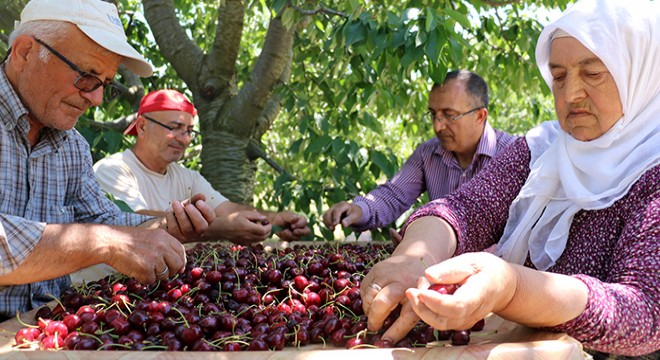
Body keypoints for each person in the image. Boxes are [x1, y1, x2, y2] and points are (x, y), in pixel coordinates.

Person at [360, 0, 660, 357]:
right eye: (559, 76)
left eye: (592, 73)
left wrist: (513, 287)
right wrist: (414, 258)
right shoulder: (542, 150)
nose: (570, 93)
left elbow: (645, 313)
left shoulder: (653, 174)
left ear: (641, 72)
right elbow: (466, 209)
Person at [0, 0, 218, 320]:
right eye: (86, 76)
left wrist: (167, 227)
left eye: (105, 84)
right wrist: (105, 244)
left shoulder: (72, 146)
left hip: (46, 334)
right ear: (24, 52)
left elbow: (102, 221)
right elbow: (104, 237)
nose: (97, 98)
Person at [93, 89, 311, 245]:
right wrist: (220, 229)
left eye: (189, 131)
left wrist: (273, 219)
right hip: (111, 293)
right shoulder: (114, 170)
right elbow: (136, 224)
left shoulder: (188, 178)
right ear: (141, 127)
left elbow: (227, 210)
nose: (184, 139)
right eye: (175, 127)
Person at [322, 70, 517, 243]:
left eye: (449, 115)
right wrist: (359, 210)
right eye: (433, 114)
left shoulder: (512, 155)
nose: (438, 126)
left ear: (480, 116)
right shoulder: (428, 153)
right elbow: (394, 194)